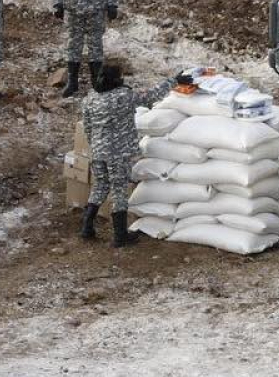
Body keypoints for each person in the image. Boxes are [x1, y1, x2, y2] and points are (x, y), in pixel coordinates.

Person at [80, 65, 195, 246]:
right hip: (117, 153)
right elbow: (149, 96)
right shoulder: (122, 96)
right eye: (121, 75)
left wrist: (96, 145)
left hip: (97, 151)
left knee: (100, 185)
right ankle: (120, 236)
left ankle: (86, 226)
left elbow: (86, 126)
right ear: (116, 79)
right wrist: (174, 80)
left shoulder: (90, 98)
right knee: (119, 190)